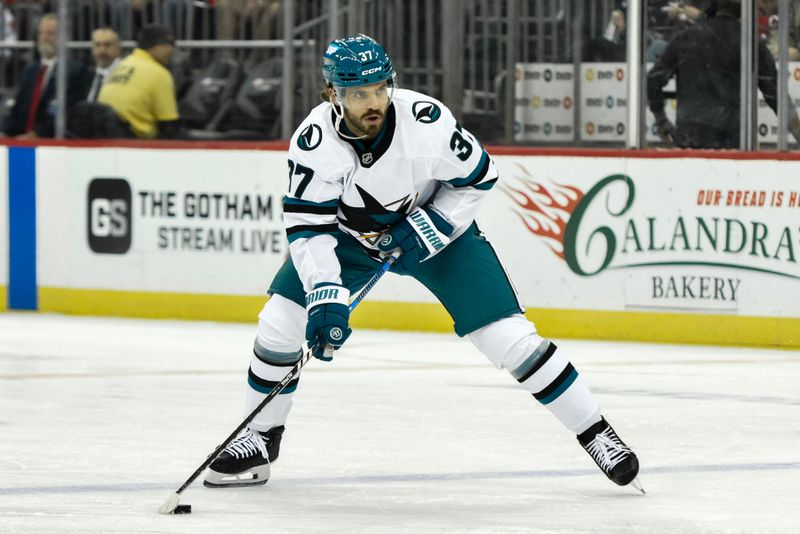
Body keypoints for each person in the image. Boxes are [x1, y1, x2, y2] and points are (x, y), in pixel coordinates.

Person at [202, 34, 643, 493]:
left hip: (441, 238)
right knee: (279, 322)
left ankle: (597, 432)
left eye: (379, 88)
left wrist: (431, 224)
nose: (372, 102)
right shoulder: (314, 142)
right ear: (332, 93)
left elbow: (480, 178)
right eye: (357, 93)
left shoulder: (426, 122)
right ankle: (259, 439)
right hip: (350, 240)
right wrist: (325, 295)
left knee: (510, 340)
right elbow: (309, 229)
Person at [648, 0, 800, 148]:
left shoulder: (685, 37)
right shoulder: (750, 43)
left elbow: (653, 80)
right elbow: (776, 95)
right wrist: (798, 131)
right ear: (745, 10)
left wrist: (661, 120)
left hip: (690, 136)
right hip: (731, 139)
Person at [0, 12, 92, 138]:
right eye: (41, 33)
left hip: (51, 141)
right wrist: (4, 132)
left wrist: (38, 134)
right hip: (21, 140)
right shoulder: (31, 71)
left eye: (50, 33)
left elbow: (69, 113)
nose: (44, 37)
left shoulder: (75, 71)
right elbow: (17, 109)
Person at [97, 24, 180, 139]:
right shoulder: (159, 73)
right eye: (167, 44)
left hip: (105, 134)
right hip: (135, 139)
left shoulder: (123, 64)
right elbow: (168, 125)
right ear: (152, 46)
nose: (171, 50)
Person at [85, 27, 122, 102]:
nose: (102, 50)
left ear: (118, 48)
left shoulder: (124, 73)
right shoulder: (86, 76)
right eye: (97, 45)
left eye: (107, 45)